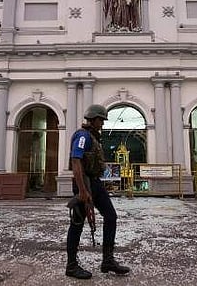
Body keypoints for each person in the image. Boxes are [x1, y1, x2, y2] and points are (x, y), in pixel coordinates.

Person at [65, 104, 130, 279]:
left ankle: (107, 260)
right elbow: (76, 162)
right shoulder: (82, 136)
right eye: (101, 120)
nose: (102, 123)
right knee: (77, 224)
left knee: (111, 216)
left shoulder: (93, 137)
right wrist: (82, 190)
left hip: (95, 183)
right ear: (93, 119)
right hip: (84, 183)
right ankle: (71, 266)